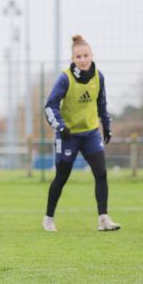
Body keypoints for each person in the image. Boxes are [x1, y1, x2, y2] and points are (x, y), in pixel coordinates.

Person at [43, 34, 120, 232]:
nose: (83, 60)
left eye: (86, 55)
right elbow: (50, 106)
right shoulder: (65, 78)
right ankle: (48, 219)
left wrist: (107, 125)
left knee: (101, 173)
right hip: (68, 135)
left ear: (92, 55)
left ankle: (103, 219)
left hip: (91, 133)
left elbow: (101, 104)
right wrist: (60, 126)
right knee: (61, 177)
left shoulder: (98, 76)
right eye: (79, 57)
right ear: (73, 59)